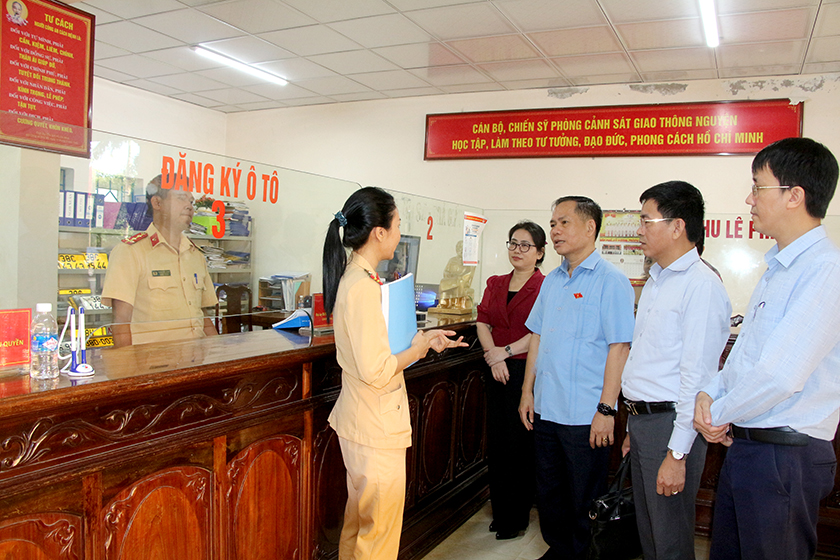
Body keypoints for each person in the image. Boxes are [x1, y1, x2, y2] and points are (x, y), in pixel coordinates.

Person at [694, 137, 840, 560]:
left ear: (795, 196)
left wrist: (717, 414)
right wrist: (709, 393)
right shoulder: (778, 267)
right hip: (750, 446)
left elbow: (780, 374)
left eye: (758, 187)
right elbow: (746, 356)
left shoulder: (824, 270)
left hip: (785, 456)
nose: (749, 199)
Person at [323, 186, 467, 560]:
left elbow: (377, 352)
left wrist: (423, 341)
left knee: (360, 526)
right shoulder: (363, 287)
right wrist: (417, 350)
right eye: (398, 225)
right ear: (379, 232)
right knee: (378, 536)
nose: (400, 234)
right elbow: (377, 369)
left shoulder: (359, 279)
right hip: (375, 425)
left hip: (364, 420)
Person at [519, 196, 635, 560]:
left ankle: (584, 556)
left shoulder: (611, 281)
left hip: (586, 414)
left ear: (590, 227)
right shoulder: (552, 281)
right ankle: (559, 551)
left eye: (564, 222)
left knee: (585, 496)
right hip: (547, 408)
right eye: (553, 223)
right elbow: (537, 337)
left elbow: (619, 348)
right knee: (549, 492)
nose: (555, 230)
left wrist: (606, 409)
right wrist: (527, 392)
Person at [620, 181, 731, 559]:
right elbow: (648, 360)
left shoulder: (701, 286)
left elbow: (697, 379)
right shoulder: (657, 279)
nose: (638, 230)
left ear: (677, 226)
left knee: (669, 538)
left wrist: (677, 454)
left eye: (646, 221)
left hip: (672, 425)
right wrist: (633, 428)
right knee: (650, 534)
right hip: (646, 423)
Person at [476, 220, 546, 540]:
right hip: (495, 370)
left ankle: (517, 516)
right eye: (513, 243)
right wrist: (492, 356)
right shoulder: (495, 283)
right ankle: (500, 511)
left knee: (520, 444)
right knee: (498, 442)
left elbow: (539, 332)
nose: (517, 250)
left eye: (525, 245)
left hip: (524, 371)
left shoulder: (545, 286)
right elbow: (482, 322)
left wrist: (504, 352)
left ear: (540, 252)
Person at [102, 173, 218, 347]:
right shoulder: (130, 252)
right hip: (154, 360)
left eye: (191, 201)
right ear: (157, 203)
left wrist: (219, 353)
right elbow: (121, 323)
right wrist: (127, 364)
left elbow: (203, 317)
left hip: (196, 357)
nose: (189, 206)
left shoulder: (195, 255)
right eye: (181, 198)